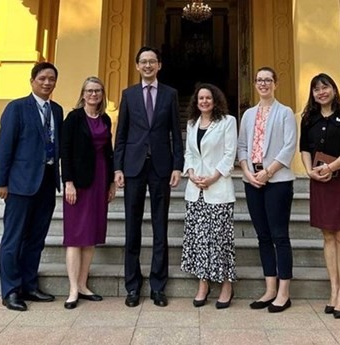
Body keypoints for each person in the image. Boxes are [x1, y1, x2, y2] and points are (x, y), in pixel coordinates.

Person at [114, 46, 184, 308]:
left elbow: (175, 133)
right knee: (132, 228)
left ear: (159, 65)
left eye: (152, 61)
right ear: (137, 66)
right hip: (132, 168)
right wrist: (117, 168)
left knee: (159, 228)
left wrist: (178, 165)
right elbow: (120, 135)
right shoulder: (128, 95)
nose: (147, 66)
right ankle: (132, 286)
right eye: (143, 62)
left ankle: (158, 286)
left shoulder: (170, 94)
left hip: (161, 168)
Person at [0, 62, 63, 311]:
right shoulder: (17, 108)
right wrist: (1, 182)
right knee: (14, 238)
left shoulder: (57, 109)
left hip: (46, 181)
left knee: (36, 238)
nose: (47, 83)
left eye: (52, 79)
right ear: (32, 80)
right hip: (20, 184)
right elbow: (5, 146)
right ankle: (11, 290)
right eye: (43, 78)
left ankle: (29, 285)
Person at [300, 73, 340, 319]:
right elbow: (304, 148)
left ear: (334, 89)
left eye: (324, 87)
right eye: (316, 89)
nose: (321, 92)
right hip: (319, 181)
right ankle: (334, 289)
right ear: (312, 94)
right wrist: (309, 171)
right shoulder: (309, 119)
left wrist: (330, 167)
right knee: (327, 235)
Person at [237, 67, 297, 313]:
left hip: (278, 181)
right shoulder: (249, 114)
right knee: (262, 236)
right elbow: (242, 146)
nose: (263, 84)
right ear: (254, 84)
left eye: (268, 80)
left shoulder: (285, 112)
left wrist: (268, 171)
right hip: (253, 182)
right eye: (259, 80)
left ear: (276, 83)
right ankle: (270, 288)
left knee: (279, 236)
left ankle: (284, 292)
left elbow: (289, 146)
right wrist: (247, 172)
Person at [60, 76, 116, 309]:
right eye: (89, 90)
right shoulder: (73, 118)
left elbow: (109, 151)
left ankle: (83, 284)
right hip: (79, 183)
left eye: (98, 91)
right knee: (75, 236)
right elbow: (65, 150)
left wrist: (112, 181)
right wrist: (68, 182)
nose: (94, 94)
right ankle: (73, 289)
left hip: (101, 178)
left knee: (91, 235)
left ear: (102, 94)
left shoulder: (105, 118)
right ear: (83, 94)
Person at [180, 83, 237, 309]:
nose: (204, 101)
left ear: (215, 101)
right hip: (195, 191)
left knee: (220, 239)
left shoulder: (227, 122)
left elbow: (229, 154)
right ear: (196, 101)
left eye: (208, 98)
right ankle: (203, 284)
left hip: (218, 188)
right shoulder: (192, 123)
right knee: (200, 240)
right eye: (201, 98)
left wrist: (212, 177)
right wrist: (192, 173)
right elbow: (189, 153)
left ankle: (226, 285)